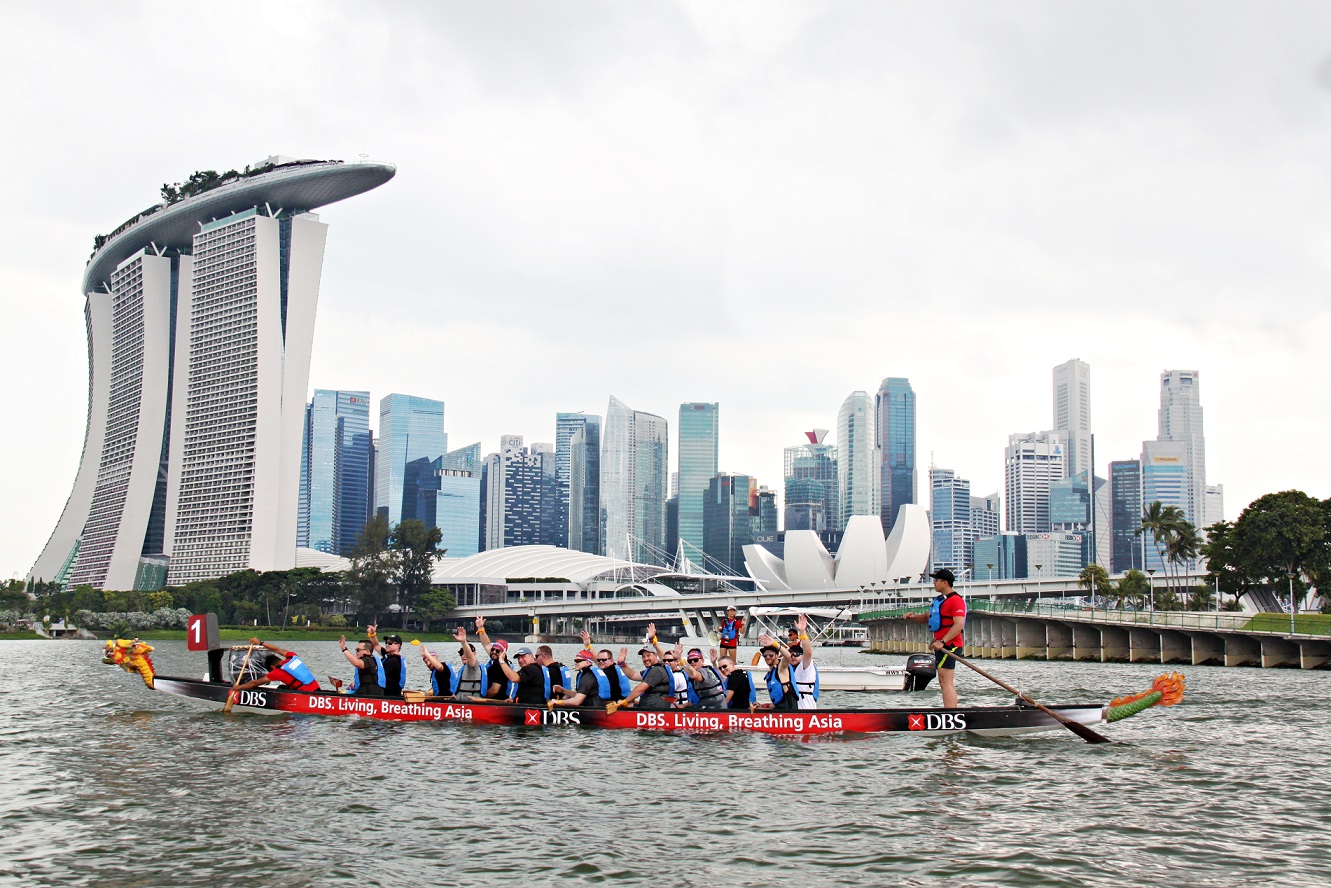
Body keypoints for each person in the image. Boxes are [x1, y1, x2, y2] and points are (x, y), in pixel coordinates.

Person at [902, 568, 967, 708]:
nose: (934, 583)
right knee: (942, 680)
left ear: (945, 582)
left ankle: (951, 713)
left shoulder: (956, 601)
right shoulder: (939, 600)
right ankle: (948, 710)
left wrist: (942, 641)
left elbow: (958, 625)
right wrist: (913, 617)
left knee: (946, 680)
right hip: (940, 645)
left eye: (936, 580)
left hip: (950, 645)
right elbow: (927, 617)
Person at [613, 631, 674, 711]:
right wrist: (622, 663)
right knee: (628, 703)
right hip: (647, 706)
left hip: (655, 709)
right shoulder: (650, 670)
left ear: (655, 655)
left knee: (622, 705)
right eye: (643, 657)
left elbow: (640, 689)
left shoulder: (656, 671)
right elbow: (633, 675)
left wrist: (624, 701)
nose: (646, 659)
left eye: (648, 656)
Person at [233, 638, 319, 692]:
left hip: (305, 694)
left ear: (272, 667)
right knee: (282, 687)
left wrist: (238, 688)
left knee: (281, 689)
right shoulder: (293, 656)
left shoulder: (277, 672)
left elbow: (255, 683)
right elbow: (277, 650)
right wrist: (260, 642)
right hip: (317, 689)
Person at [756, 632, 798, 710]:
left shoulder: (781, 668)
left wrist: (775, 644)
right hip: (779, 712)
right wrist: (761, 706)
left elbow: (788, 656)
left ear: (777, 656)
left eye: (771, 655)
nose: (768, 657)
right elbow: (778, 703)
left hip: (789, 713)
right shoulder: (769, 674)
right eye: (765, 656)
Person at [474, 617, 513, 699]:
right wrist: (481, 628)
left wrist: (483, 698)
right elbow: (487, 644)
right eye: (493, 649)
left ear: (503, 653)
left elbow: (494, 690)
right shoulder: (496, 659)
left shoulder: (500, 667)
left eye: (497, 651)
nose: (494, 652)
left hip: (496, 701)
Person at [787, 613, 820, 710]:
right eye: (791, 654)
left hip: (805, 708)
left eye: (796, 655)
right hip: (792, 710)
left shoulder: (805, 667)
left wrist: (802, 632)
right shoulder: (788, 669)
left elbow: (808, 652)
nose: (793, 657)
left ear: (802, 656)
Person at [370, 626, 406, 698]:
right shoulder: (388, 655)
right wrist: (372, 634)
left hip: (390, 695)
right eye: (386, 642)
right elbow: (376, 645)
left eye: (390, 643)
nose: (386, 644)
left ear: (397, 645)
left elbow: (376, 675)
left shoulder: (394, 661)